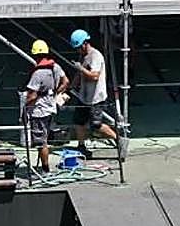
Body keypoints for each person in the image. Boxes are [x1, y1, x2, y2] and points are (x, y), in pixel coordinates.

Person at [68, 28, 124, 157]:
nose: (78, 50)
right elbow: (79, 73)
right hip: (84, 95)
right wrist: (72, 86)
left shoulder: (96, 56)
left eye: (79, 47)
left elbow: (94, 76)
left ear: (85, 43)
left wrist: (81, 68)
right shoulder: (83, 56)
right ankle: (81, 146)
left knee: (96, 124)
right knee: (79, 121)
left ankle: (118, 139)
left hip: (96, 97)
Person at [21, 40, 66, 174]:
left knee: (41, 143)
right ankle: (44, 167)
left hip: (39, 111)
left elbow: (32, 95)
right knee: (44, 138)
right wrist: (56, 93)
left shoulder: (38, 73)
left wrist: (24, 108)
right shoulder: (55, 67)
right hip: (50, 108)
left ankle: (45, 170)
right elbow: (66, 82)